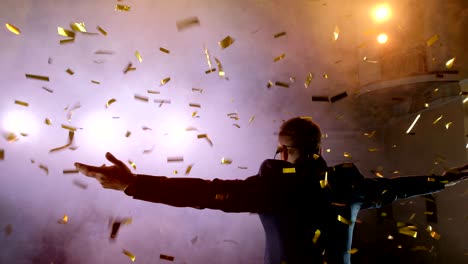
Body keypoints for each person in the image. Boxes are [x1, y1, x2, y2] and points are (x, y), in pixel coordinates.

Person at [75, 117, 468, 264]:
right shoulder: (350, 184)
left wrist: (133, 183)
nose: (280, 151)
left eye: (284, 146)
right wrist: (448, 178)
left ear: (288, 148)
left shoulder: (274, 188)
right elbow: (400, 188)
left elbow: (202, 192)